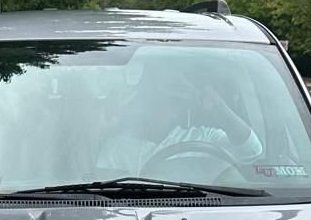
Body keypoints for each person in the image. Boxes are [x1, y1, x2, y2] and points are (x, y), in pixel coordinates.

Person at [100, 63, 263, 178]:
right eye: (159, 92)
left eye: (176, 93)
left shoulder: (206, 138)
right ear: (145, 97)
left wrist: (219, 108)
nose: (168, 100)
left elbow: (252, 151)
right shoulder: (116, 147)